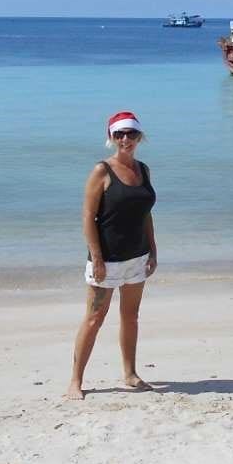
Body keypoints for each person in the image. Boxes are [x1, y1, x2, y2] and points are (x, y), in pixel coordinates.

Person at [66, 111, 158, 400]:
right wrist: (97, 258)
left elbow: (146, 215)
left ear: (140, 136)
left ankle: (130, 374)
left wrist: (153, 250)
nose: (125, 139)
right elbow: (87, 217)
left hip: (137, 257)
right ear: (111, 138)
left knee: (131, 317)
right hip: (107, 260)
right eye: (119, 134)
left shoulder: (144, 170)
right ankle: (75, 382)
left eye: (131, 133)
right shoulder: (101, 171)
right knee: (94, 318)